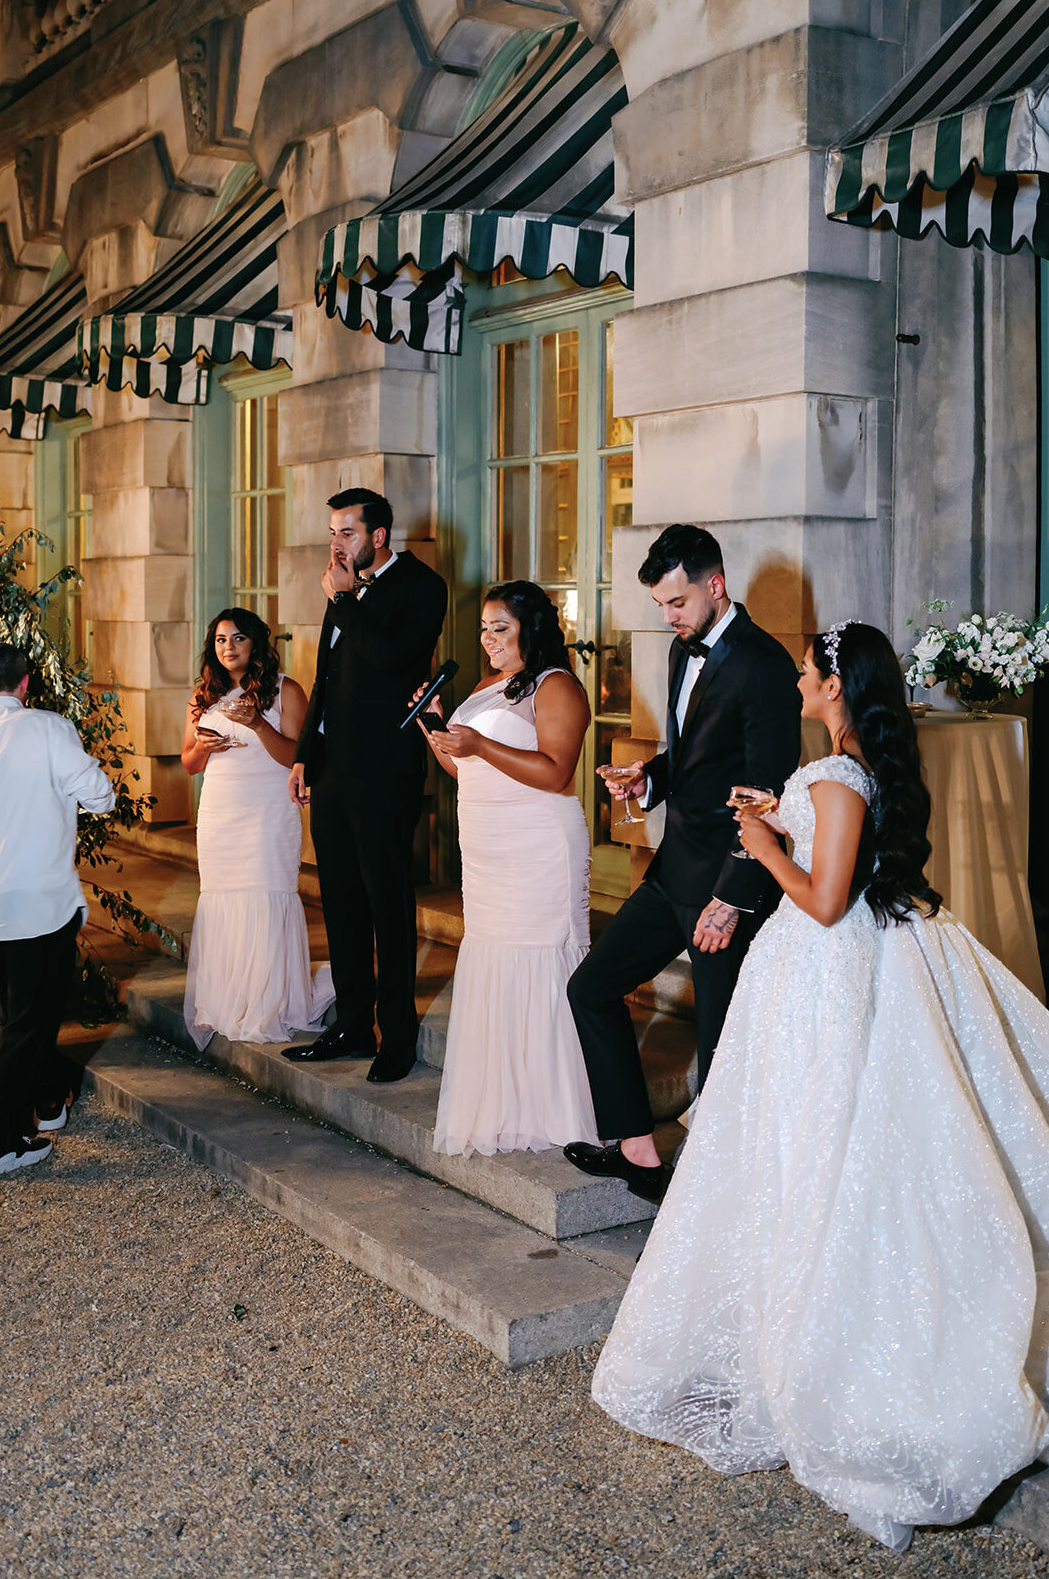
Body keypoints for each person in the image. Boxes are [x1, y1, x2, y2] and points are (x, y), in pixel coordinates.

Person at [592, 621, 1049, 1552]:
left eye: (808, 672)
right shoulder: (844, 767)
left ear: (836, 686)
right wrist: (786, 812)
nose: (800, 682)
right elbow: (837, 847)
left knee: (834, 1146)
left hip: (827, 968)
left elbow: (825, 898)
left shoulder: (839, 773)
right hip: (828, 970)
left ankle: (833, 1346)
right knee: (810, 1144)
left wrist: (764, 839)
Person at [563, 524, 801, 1199]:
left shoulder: (764, 665)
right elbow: (698, 755)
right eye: (662, 606)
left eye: (677, 604)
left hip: (725, 885)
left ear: (715, 586)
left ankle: (712, 1211)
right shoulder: (683, 651)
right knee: (591, 989)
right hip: (672, 872)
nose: (668, 619)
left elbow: (768, 791)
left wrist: (733, 896)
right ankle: (639, 1153)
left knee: (723, 1053)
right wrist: (649, 778)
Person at [419, 581, 597, 1156]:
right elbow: (466, 771)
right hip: (488, 845)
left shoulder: (557, 686)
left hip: (539, 842)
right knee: (494, 950)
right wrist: (436, 728)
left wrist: (478, 747)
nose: (489, 639)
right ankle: (505, 1100)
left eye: (501, 628)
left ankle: (555, 1106)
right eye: (484, 630)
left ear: (531, 629)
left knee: (540, 955)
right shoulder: (484, 685)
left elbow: (556, 773)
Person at [283, 489, 448, 1082]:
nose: (336, 544)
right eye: (333, 532)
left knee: (387, 905)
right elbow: (323, 680)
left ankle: (397, 1039)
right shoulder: (343, 586)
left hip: (385, 770)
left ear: (378, 535)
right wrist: (304, 755)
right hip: (332, 769)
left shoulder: (422, 587)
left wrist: (346, 601)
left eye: (347, 533)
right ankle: (352, 1025)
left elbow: (393, 659)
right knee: (342, 902)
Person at [0, 641, 114, 1177]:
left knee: (19, 1010)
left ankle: (48, 1102)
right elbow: (102, 797)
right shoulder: (50, 729)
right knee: (31, 1020)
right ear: (26, 683)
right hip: (42, 903)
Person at [180, 608, 333, 1048]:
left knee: (267, 895)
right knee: (222, 898)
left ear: (257, 644)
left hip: (267, 810)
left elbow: (295, 758)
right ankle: (226, 1000)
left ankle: (270, 1001)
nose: (228, 648)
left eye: (238, 639)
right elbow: (189, 764)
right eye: (221, 639)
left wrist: (258, 724)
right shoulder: (202, 695)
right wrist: (204, 747)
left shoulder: (287, 691)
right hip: (220, 812)